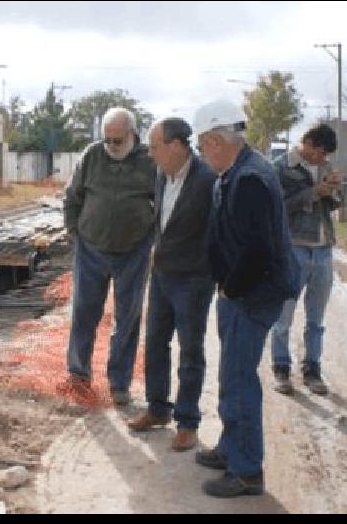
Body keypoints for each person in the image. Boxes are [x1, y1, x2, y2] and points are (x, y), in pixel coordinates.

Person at [193, 99, 299, 498]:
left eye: (203, 147)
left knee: (239, 380)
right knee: (231, 375)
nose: (202, 155)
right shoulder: (238, 171)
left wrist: (232, 287)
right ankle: (232, 447)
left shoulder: (250, 178)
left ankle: (247, 470)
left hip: (252, 294)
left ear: (217, 140)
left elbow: (258, 249)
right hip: (241, 291)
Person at [126, 118, 216, 451]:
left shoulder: (207, 180)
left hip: (193, 279)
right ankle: (157, 408)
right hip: (162, 276)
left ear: (176, 146)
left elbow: (216, 231)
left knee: (190, 350)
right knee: (155, 345)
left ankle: (188, 422)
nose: (150, 154)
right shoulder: (163, 176)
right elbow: (163, 223)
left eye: (154, 146)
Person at [63, 107, 156, 406]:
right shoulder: (92, 156)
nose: (112, 146)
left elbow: (164, 203)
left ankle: (119, 382)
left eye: (118, 140)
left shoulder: (149, 161)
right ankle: (79, 375)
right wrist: (74, 231)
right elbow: (72, 196)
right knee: (83, 314)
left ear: (132, 134)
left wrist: (152, 241)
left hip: (133, 251)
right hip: (91, 248)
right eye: (108, 140)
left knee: (127, 318)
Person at [270, 124, 340, 396]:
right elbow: (277, 208)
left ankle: (312, 369)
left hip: (323, 249)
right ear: (308, 144)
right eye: (320, 153)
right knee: (283, 316)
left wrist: (334, 190)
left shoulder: (326, 166)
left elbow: (334, 203)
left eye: (325, 156)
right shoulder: (279, 168)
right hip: (293, 248)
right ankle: (281, 368)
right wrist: (313, 193)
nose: (322, 159)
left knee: (317, 318)